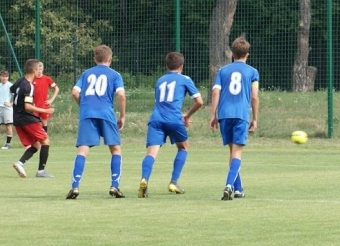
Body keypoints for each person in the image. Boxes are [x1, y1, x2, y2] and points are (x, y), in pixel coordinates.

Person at [138, 52, 203, 198]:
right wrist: (187, 116)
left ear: (166, 66)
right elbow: (199, 102)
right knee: (183, 147)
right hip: (174, 120)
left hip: (156, 120)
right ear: (181, 66)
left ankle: (144, 179)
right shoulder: (185, 79)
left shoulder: (160, 80)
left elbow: (162, 103)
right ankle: (173, 182)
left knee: (151, 153)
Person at [66, 44, 126, 199]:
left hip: (87, 114)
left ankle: (75, 187)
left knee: (82, 151)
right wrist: (122, 116)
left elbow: (74, 92)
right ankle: (115, 186)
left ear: (95, 59)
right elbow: (121, 95)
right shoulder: (115, 75)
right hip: (106, 113)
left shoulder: (86, 74)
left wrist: (84, 105)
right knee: (115, 150)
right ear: (110, 59)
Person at [210, 36, 259, 201]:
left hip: (224, 114)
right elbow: (254, 97)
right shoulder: (252, 72)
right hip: (240, 114)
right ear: (247, 55)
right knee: (237, 152)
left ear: (232, 53)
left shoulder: (222, 71)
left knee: (232, 152)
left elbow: (216, 91)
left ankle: (238, 189)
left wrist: (213, 114)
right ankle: (229, 185)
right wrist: (255, 118)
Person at [11, 59, 55, 178]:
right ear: (35, 70)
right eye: (38, 69)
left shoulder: (20, 81)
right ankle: (41, 171)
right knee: (45, 141)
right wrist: (46, 110)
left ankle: (19, 163)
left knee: (36, 145)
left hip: (17, 118)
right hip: (26, 118)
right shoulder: (29, 86)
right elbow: (28, 107)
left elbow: (12, 89)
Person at [32, 61, 60, 132]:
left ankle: (45, 138)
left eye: (41, 69)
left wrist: (51, 100)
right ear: (35, 69)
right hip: (34, 105)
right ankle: (37, 139)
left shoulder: (47, 79)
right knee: (36, 122)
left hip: (44, 104)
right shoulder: (32, 79)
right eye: (38, 69)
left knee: (44, 122)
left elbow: (56, 89)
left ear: (43, 69)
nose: (39, 71)